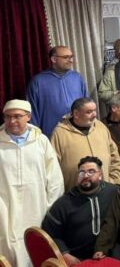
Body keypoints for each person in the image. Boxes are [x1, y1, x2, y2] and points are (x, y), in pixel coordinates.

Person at [0, 99, 65, 266]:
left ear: (28, 117)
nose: (12, 121)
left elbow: (55, 179)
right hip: (6, 209)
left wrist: (51, 207)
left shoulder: (41, 141)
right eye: (7, 117)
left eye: (17, 116)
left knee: (35, 247)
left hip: (37, 207)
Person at [42, 156, 120, 265]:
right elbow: (49, 233)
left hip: (110, 252)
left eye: (91, 172)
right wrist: (64, 254)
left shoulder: (114, 192)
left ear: (100, 175)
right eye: (82, 172)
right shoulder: (64, 203)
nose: (85, 176)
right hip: (77, 258)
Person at [51, 97, 120, 190]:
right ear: (76, 114)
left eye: (94, 111)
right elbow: (53, 167)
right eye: (89, 112)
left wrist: (115, 182)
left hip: (105, 190)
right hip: (76, 193)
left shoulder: (101, 127)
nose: (94, 115)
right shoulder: (60, 133)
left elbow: (114, 157)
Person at [27, 45, 89, 137]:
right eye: (66, 57)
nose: (71, 60)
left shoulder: (77, 77)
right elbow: (32, 112)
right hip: (51, 134)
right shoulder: (38, 82)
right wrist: (37, 137)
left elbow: (86, 104)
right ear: (54, 59)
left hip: (77, 132)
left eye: (71, 57)